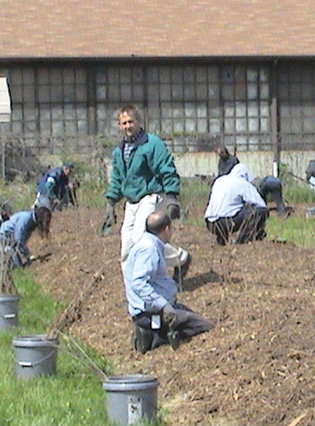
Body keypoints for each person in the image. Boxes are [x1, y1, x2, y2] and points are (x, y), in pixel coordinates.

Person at [103, 104, 190, 278]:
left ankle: (169, 269)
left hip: (150, 197)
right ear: (119, 126)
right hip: (131, 201)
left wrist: (172, 197)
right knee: (127, 248)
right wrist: (110, 203)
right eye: (124, 123)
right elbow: (118, 179)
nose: (128, 126)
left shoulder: (152, 144)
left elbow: (167, 169)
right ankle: (134, 290)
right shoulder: (119, 151)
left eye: (131, 121)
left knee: (142, 239)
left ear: (139, 122)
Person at [124, 211, 214, 353]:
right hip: (149, 313)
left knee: (191, 317)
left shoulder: (149, 243)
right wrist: (164, 305)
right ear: (166, 229)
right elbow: (139, 283)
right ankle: (152, 336)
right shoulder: (149, 249)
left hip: (158, 308)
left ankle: (154, 332)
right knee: (204, 325)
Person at [204, 162, 268, 244]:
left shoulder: (219, 180)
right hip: (228, 223)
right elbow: (261, 204)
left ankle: (221, 239)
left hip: (210, 223)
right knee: (260, 211)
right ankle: (242, 240)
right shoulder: (242, 183)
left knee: (230, 208)